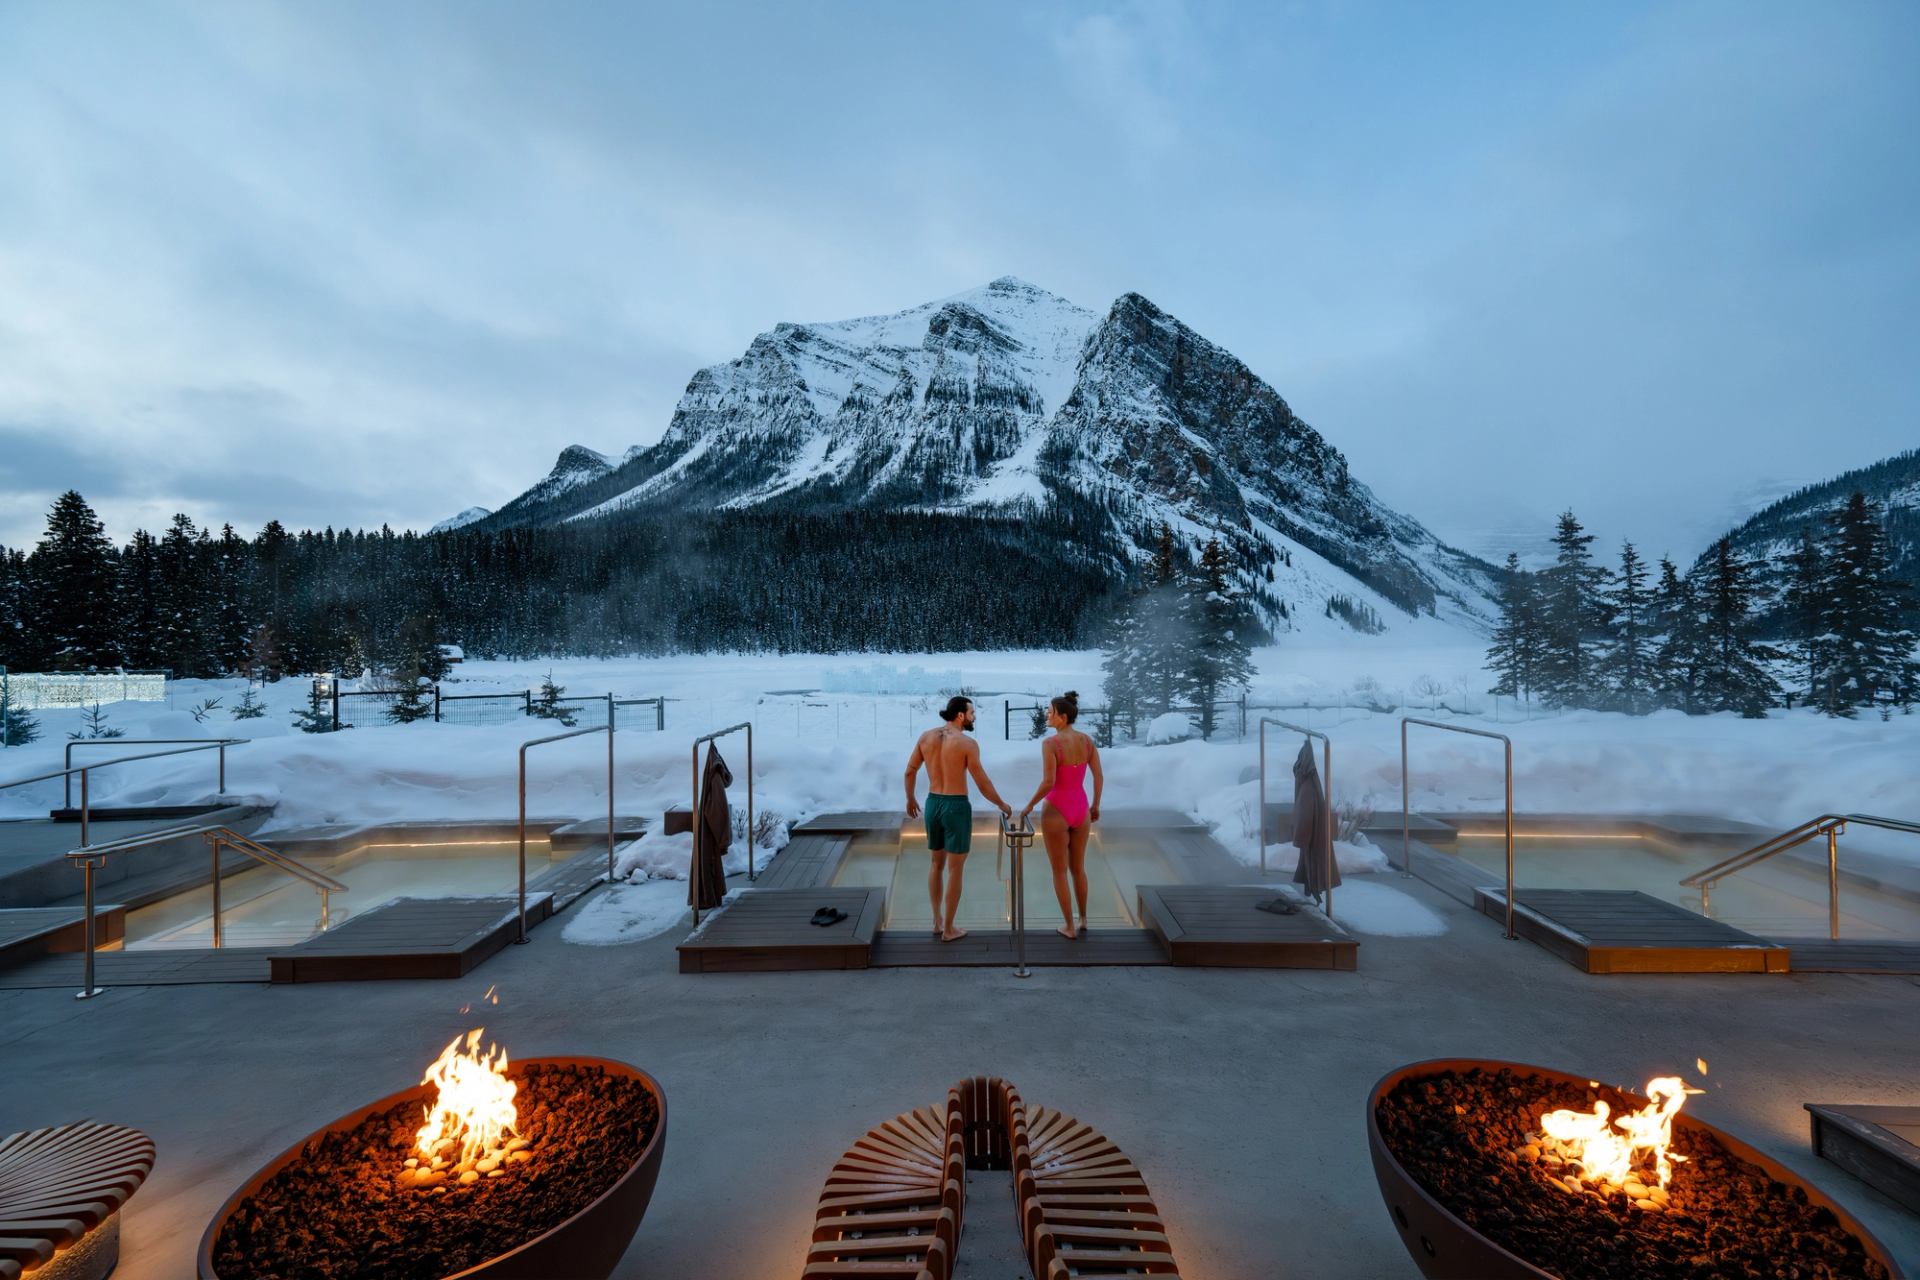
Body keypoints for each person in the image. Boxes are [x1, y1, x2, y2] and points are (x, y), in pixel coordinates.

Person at [905, 695, 1012, 942]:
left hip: (933, 804)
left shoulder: (926, 737)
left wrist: (910, 799)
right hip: (956, 806)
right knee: (955, 870)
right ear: (961, 715)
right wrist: (1002, 804)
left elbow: (910, 771)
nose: (974, 717)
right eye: (972, 712)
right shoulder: (967, 743)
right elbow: (981, 781)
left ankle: (937, 921)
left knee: (936, 864)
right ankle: (949, 929)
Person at [1018, 691, 1104, 939]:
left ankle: (1068, 926)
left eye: (1050, 711)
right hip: (1081, 807)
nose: (1047, 715)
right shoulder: (1087, 741)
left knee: (1059, 871)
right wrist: (1096, 805)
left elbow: (1048, 782)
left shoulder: (1051, 744)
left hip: (1057, 809)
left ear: (1062, 717)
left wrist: (1029, 806)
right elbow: (1098, 776)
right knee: (1079, 869)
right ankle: (1084, 919)